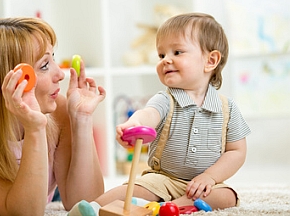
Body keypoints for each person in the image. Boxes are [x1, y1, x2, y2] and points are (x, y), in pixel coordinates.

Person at [68, 12, 251, 215]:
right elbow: (148, 114)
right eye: (162, 55)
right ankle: (93, 208)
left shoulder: (227, 108)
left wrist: (210, 177)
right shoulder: (165, 100)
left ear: (211, 60)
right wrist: (133, 124)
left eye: (177, 52)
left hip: (202, 184)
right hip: (162, 180)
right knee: (131, 190)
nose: (166, 60)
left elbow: (236, 152)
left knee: (227, 196)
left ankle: (168, 208)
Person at [0, 17, 106, 215]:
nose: (60, 74)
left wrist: (81, 119)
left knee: (45, 192)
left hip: (40, 186)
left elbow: (86, 201)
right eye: (45, 65)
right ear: (9, 79)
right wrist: (34, 128)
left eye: (53, 57)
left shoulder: (58, 110)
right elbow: (24, 213)